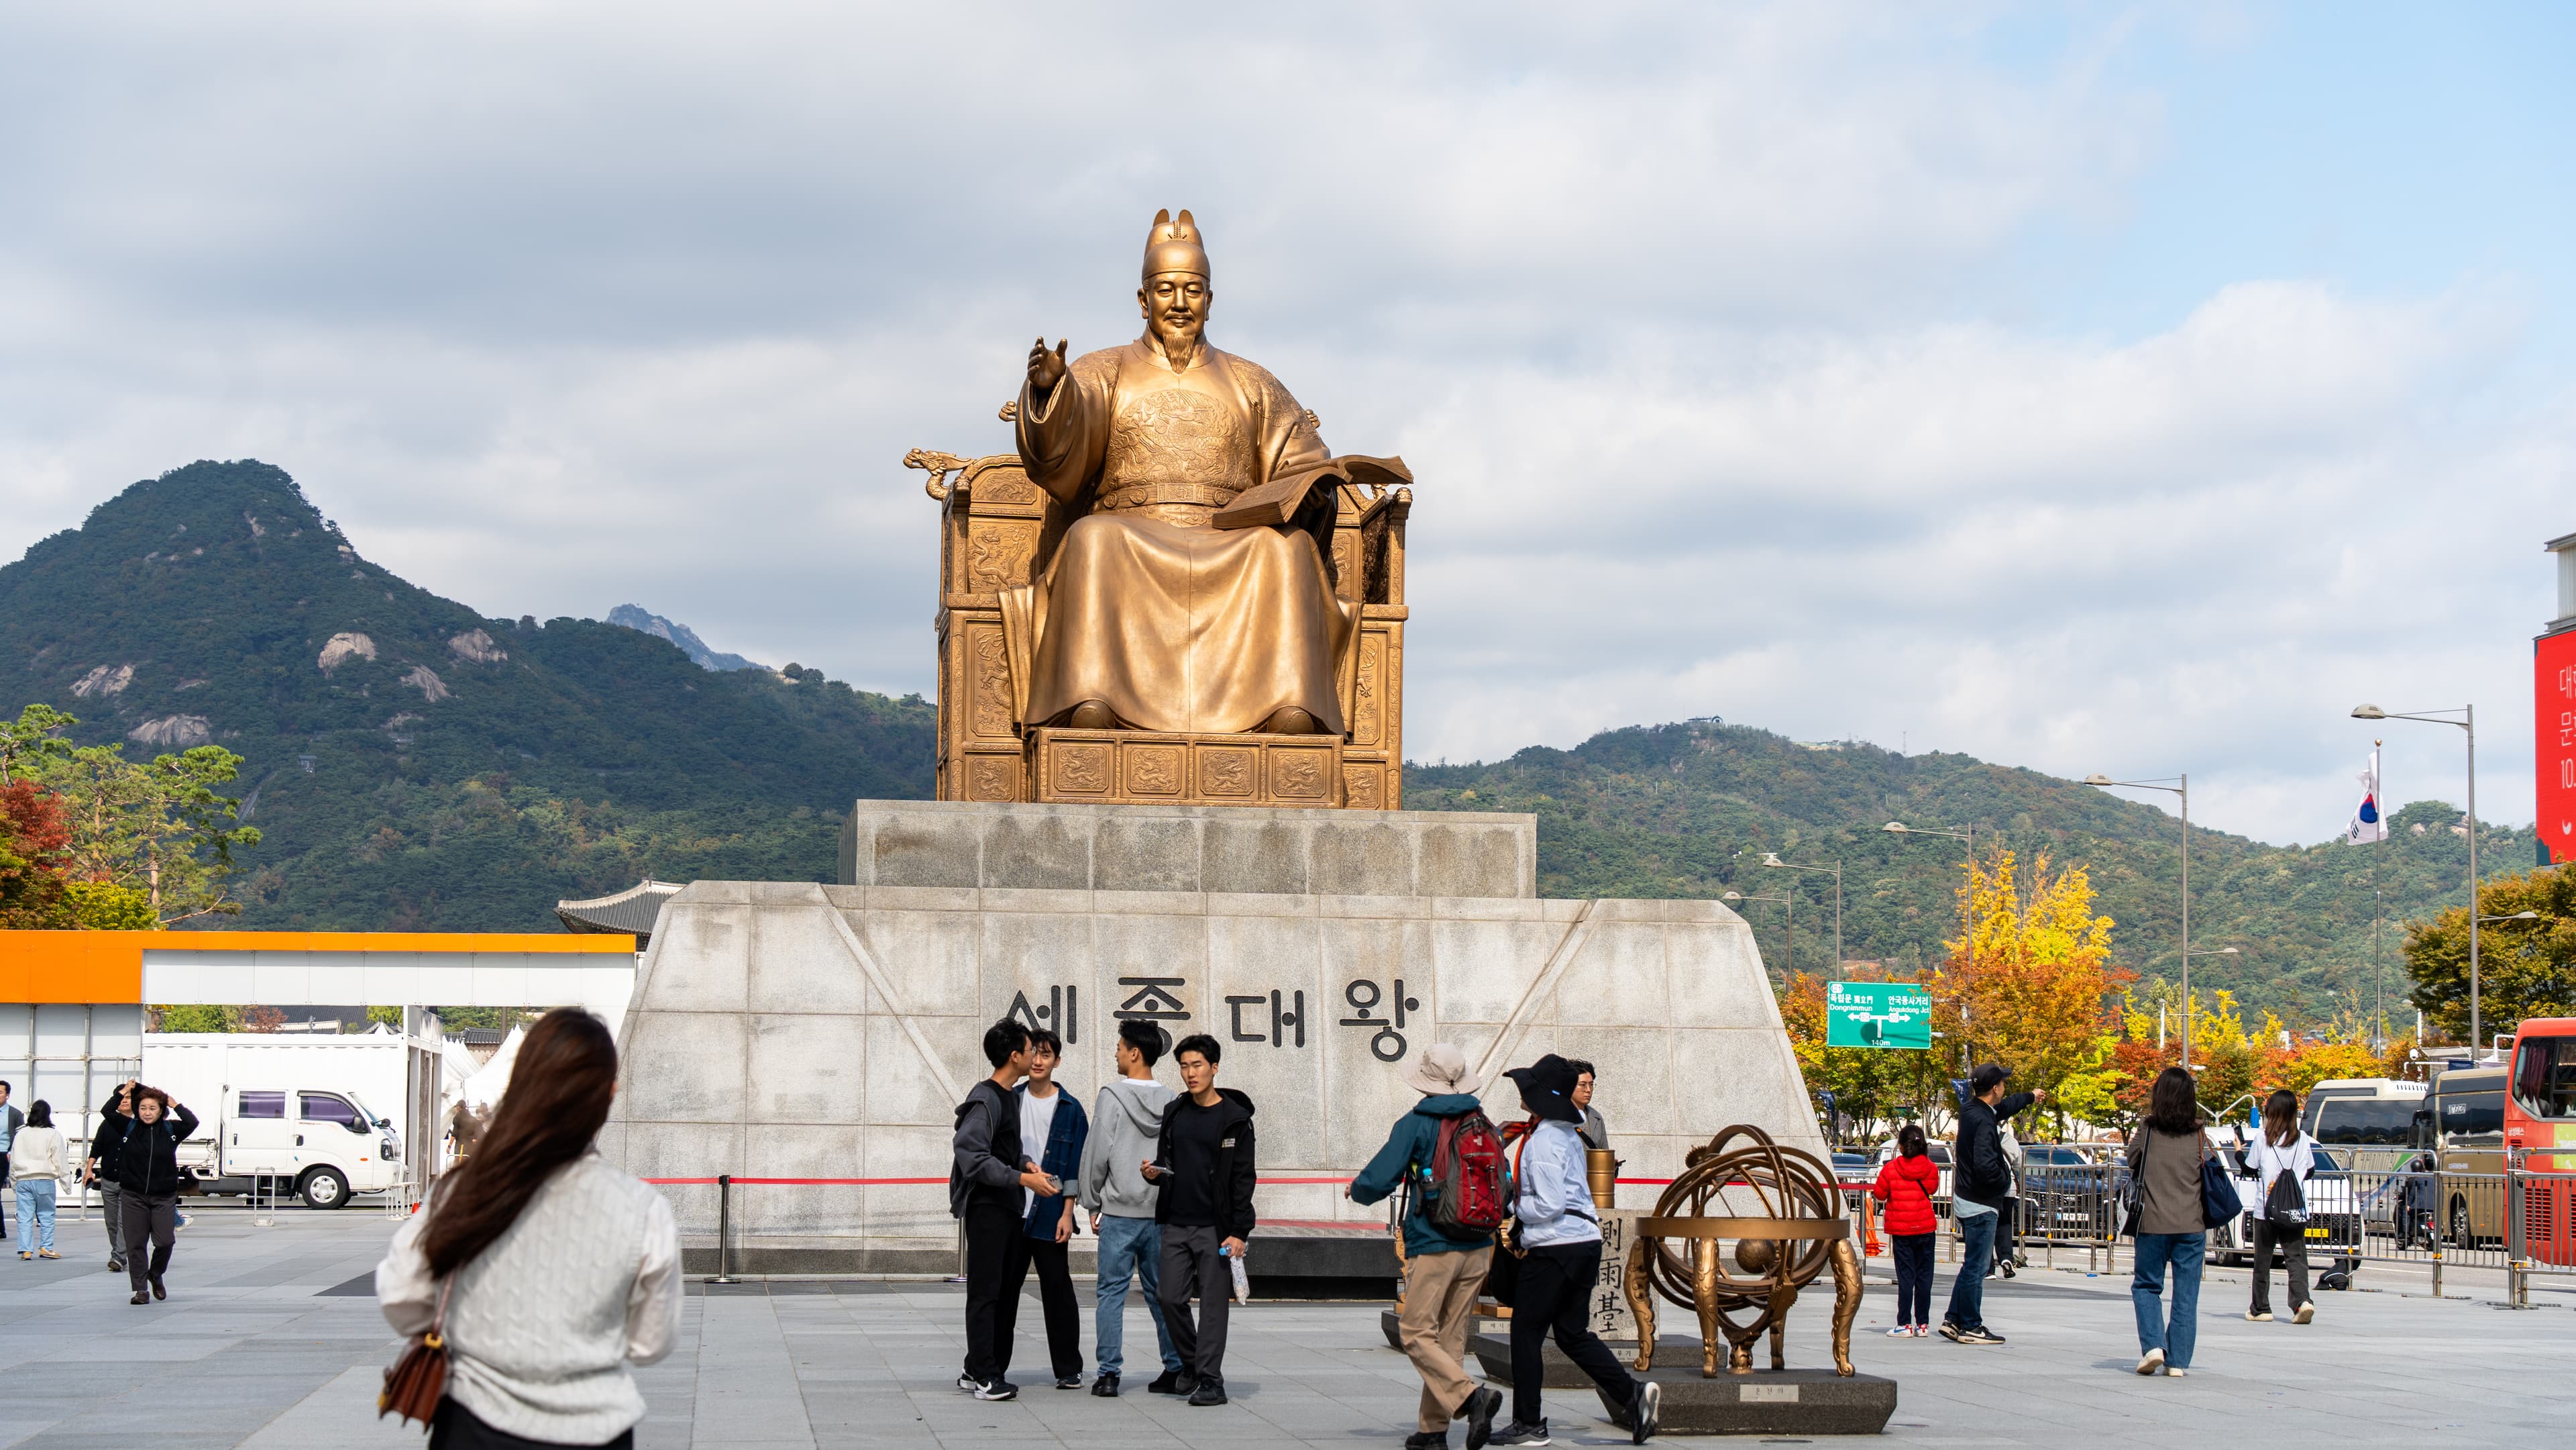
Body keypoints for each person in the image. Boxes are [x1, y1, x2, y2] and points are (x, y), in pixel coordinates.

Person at [377, 1008, 679, 1447]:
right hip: (595, 1429)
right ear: (609, 1094)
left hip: (473, 1425)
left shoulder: (464, 1190)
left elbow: (401, 1296)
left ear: (522, 1083)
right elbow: (651, 1341)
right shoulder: (643, 1207)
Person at [1489, 1053, 1659, 1448]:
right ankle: (1632, 1395)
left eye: (1527, 1087)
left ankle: (1528, 1422)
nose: (1521, 1093)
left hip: (1556, 1246)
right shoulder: (1560, 1132)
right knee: (1570, 1332)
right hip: (1580, 1243)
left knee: (1526, 1331)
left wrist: (1513, 1205)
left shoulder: (1545, 1139)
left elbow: (1547, 1205)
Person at [1349, 1043, 1507, 1450]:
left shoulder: (1417, 1122)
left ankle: (1472, 1398)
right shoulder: (1481, 1121)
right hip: (1479, 1243)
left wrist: (1358, 1190)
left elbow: (1381, 1177)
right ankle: (1433, 1432)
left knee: (1416, 1333)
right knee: (1450, 1339)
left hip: (1434, 1242)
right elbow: (1504, 1182)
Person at [1145, 1033, 1256, 1406]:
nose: (1190, 1073)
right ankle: (1193, 1363)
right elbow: (1170, 1162)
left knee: (1212, 1305)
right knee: (1168, 1297)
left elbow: (1243, 1179)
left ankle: (1211, 1381)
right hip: (1176, 1220)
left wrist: (1240, 1230)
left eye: (1197, 1065)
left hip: (1215, 1227)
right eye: (1184, 1066)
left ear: (1214, 1068)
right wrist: (1154, 1173)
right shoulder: (1175, 1111)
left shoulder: (1235, 1120)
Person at [951, 1017, 1057, 1402]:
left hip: (1006, 1207)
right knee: (985, 1294)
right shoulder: (986, 1099)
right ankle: (986, 1378)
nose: (1035, 1056)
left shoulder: (1008, 1096)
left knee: (1000, 1291)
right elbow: (972, 1156)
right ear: (1015, 1056)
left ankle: (973, 1367)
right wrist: (1021, 1179)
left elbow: (1003, 1149)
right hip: (988, 1210)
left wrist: (1025, 1163)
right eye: (1031, 1050)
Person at [1078, 1019, 1185, 1398]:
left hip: (1120, 1213)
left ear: (1135, 1052)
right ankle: (1175, 1368)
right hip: (1160, 1214)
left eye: (1120, 1047)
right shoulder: (1173, 1100)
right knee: (1162, 1294)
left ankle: (1109, 1374)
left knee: (1110, 1294)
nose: (1116, 1053)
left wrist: (1091, 1200)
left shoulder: (1112, 1096)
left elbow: (1097, 1153)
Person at [1939, 1064, 2043, 1345]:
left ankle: (1953, 1319)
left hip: (1966, 1197)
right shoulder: (1985, 1121)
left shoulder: (1972, 1111)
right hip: (1981, 1202)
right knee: (1978, 1266)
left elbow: (2006, 1107)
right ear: (1995, 1088)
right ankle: (1972, 1325)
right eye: (2003, 1084)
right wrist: (2002, 1182)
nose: (2004, 1088)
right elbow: (1986, 1163)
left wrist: (2031, 1096)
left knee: (1971, 1263)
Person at [1012, 1027, 1089, 1390]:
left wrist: (1066, 1213)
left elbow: (1075, 1166)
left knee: (1058, 1292)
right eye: (1034, 1054)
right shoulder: (1009, 1100)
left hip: (1050, 1214)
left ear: (1057, 1061)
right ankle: (988, 1366)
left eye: (1046, 1055)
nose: (1039, 1061)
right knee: (1002, 1292)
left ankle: (1069, 1368)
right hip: (1012, 1212)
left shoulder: (1071, 1109)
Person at [2126, 1065, 2208, 1376]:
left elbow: (2132, 1159)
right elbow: (2208, 1167)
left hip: (2153, 1223)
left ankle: (2153, 1347)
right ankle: (2178, 1362)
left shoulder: (2147, 1131)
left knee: (2147, 1286)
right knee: (2186, 1294)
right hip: (2192, 1225)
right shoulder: (2200, 1134)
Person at [112, 1084, 197, 1305]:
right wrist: (124, 1093)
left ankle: (156, 1273)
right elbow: (107, 1112)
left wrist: (175, 1103)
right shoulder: (129, 1127)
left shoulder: (171, 1131)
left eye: (152, 1108)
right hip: (133, 1196)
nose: (147, 1112)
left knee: (165, 1241)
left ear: (161, 1111)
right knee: (136, 1244)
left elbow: (192, 1122)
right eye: (142, 1108)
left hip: (163, 1196)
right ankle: (141, 1290)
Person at [2244, 1088, 2317, 1326]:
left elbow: (2250, 1168)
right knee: (2296, 1258)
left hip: (2266, 1209)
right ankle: (2302, 1301)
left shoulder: (2262, 1139)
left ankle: (2261, 1308)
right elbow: (2310, 1171)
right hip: (2295, 1208)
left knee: (2262, 1260)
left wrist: (2237, 1151)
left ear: (2271, 1112)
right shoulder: (2303, 1139)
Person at [1871, 1124, 1939, 1337]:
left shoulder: (1891, 1169)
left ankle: (1904, 1323)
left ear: (1900, 1147)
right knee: (1925, 1276)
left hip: (1902, 1230)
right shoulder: (1931, 1168)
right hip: (1925, 1227)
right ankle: (1923, 1324)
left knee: (1906, 1276)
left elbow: (1880, 1195)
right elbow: (1932, 1188)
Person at [87, 1080, 136, 1274]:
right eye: (121, 1097)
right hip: (108, 1178)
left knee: (124, 1220)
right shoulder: (108, 1124)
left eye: (128, 1097)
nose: (124, 1101)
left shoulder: (139, 1125)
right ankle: (119, 1253)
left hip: (129, 1182)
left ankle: (118, 1257)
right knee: (112, 1222)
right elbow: (97, 1147)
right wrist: (89, 1169)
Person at [12, 1100, 66, 1260]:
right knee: (47, 1215)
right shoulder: (52, 1134)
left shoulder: (21, 1133)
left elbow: (14, 1158)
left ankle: (26, 1250)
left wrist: (14, 1181)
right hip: (44, 1179)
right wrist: (66, 1183)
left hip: (23, 1179)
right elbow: (60, 1160)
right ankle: (46, 1248)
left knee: (24, 1217)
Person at [1568, 1060, 1610, 1153]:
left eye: (1591, 1085)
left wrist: (1611, 1164)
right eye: (1583, 1085)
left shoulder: (1596, 1117)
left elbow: (1603, 1152)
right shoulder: (1555, 1116)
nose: (1588, 1090)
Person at [0, 1080, 19, 1241]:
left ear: (7, 1095)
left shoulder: (14, 1114)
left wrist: (12, 1152)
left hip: (3, 1155)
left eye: (0, 1093)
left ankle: (1, 1230)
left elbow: (20, 1136)